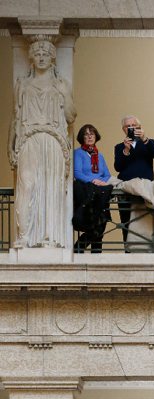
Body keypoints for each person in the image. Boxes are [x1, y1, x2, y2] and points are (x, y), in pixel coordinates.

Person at [8, 37, 76, 249]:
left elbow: (71, 116)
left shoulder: (61, 84)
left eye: (45, 54)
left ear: (52, 58)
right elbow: (15, 118)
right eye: (37, 54)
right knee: (27, 186)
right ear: (31, 58)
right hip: (28, 140)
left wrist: (65, 95)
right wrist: (10, 146)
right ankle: (24, 236)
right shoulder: (23, 84)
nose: (41, 58)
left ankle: (50, 237)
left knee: (51, 187)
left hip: (53, 141)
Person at [114, 115, 154, 243]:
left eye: (134, 125)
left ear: (139, 127)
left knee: (147, 223)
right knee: (127, 223)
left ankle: (151, 254)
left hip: (145, 189)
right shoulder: (119, 147)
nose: (131, 128)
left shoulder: (148, 142)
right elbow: (118, 167)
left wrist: (145, 139)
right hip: (127, 191)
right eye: (127, 126)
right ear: (123, 130)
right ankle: (128, 254)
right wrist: (126, 150)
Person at [73, 123, 112, 253]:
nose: (90, 137)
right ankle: (80, 248)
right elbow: (77, 173)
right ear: (82, 138)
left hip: (100, 190)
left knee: (101, 221)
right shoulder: (78, 153)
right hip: (86, 190)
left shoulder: (99, 156)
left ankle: (93, 253)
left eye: (92, 134)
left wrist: (100, 181)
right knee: (95, 221)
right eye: (86, 134)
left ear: (96, 136)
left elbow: (107, 175)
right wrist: (93, 180)